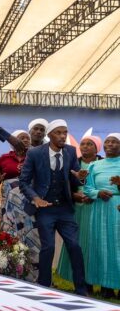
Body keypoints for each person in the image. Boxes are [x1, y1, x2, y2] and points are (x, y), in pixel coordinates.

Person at [18, 120, 89, 295]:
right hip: (45, 208)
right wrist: (35, 198)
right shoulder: (35, 153)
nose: (63, 136)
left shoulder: (71, 152)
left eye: (65, 132)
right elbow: (24, 182)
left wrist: (79, 177)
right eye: (59, 132)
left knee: (74, 246)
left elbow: (73, 179)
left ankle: (81, 290)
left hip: (65, 208)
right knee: (48, 247)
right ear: (49, 135)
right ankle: (44, 287)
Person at [0, 130, 40, 280]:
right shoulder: (4, 158)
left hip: (29, 204)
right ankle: (11, 271)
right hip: (9, 206)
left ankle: (33, 275)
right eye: (21, 138)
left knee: (32, 236)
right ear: (12, 141)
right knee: (10, 234)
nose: (25, 140)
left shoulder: (36, 156)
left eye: (27, 138)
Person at [57, 135, 102, 290]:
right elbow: (64, 185)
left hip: (98, 208)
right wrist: (75, 196)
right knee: (78, 244)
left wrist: (93, 195)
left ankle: (97, 280)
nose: (85, 147)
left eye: (90, 144)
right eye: (83, 144)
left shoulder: (101, 164)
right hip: (76, 208)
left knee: (95, 243)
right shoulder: (73, 162)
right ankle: (81, 281)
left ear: (97, 148)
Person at [82, 133, 120, 298]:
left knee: (117, 247)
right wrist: (98, 193)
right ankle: (106, 286)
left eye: (114, 142)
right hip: (99, 209)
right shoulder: (94, 166)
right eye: (107, 142)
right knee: (100, 246)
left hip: (117, 208)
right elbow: (88, 189)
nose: (110, 144)